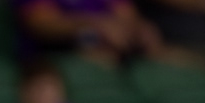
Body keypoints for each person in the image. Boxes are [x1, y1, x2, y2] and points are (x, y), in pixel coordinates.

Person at [16, 0, 161, 63]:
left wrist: (138, 29)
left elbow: (126, 16)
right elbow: (42, 24)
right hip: (54, 55)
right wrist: (96, 24)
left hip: (113, 52)